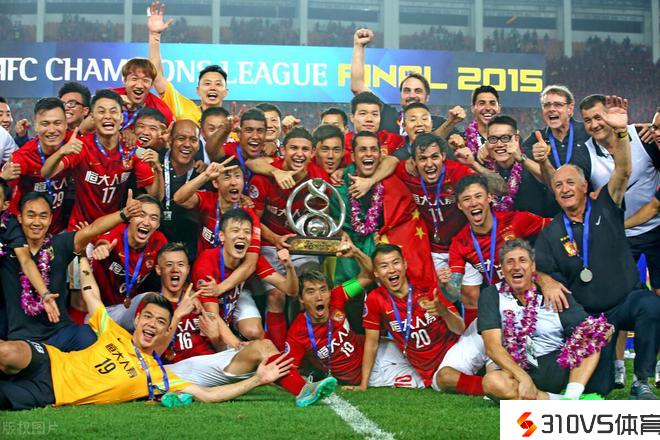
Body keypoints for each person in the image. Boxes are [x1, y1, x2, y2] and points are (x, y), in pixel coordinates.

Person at [0, 256, 295, 410]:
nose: (152, 324)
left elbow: (207, 395)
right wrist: (84, 259)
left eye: (160, 322)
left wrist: (257, 379)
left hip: (53, 392)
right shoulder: (112, 331)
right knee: (8, 351)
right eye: (149, 317)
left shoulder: (156, 377)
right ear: (138, 319)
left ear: (166, 330)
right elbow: (91, 296)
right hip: (51, 360)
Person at [534, 95, 660, 400]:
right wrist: (545, 279)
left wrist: (621, 132)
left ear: (584, 186)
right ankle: (603, 372)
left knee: (651, 305)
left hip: (625, 301)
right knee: (599, 389)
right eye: (558, 185)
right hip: (590, 317)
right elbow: (542, 270)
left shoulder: (606, 204)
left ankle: (642, 379)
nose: (565, 189)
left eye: (570, 183)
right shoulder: (551, 232)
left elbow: (623, 171)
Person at [580, 96, 660, 388]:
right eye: (588, 120)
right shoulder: (585, 152)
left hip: (656, 229)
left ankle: (657, 365)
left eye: (599, 117)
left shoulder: (643, 138)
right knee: (621, 298)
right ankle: (616, 366)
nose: (595, 124)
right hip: (619, 239)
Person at [1, 191, 142, 351]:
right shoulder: (6, 250)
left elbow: (93, 229)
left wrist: (124, 213)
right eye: (31, 215)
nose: (37, 222)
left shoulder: (60, 244)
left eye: (43, 216)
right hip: (24, 340)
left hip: (62, 334)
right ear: (20, 217)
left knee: (92, 338)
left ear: (51, 219)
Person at [394, 133, 507, 326]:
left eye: (434, 157)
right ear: (413, 162)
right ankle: (450, 339)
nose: (429, 164)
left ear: (443, 157)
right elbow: (385, 164)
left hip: (464, 247)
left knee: (470, 296)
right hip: (431, 249)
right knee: (435, 301)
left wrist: (473, 164)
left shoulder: (457, 172)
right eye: (422, 159)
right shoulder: (405, 173)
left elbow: (502, 189)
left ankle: (475, 336)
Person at [479, 239, 612, 400]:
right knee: (492, 382)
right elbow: (492, 346)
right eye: (510, 262)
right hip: (517, 369)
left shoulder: (553, 292)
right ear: (502, 268)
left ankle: (571, 396)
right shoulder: (491, 295)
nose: (516, 267)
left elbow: (588, 327)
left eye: (522, 260)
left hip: (559, 367)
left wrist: (605, 330)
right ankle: (558, 401)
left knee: (594, 331)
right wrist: (523, 378)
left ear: (533, 267)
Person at [40, 89, 163, 230]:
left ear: (121, 118)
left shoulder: (132, 147)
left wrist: (158, 170)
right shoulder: (82, 146)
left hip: (114, 228)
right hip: (81, 227)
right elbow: (46, 173)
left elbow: (155, 196)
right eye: (101, 111)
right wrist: (62, 151)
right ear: (92, 117)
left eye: (113, 111)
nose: (108, 116)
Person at [360, 244, 464, 389]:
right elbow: (371, 343)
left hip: (453, 354)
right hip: (423, 368)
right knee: (377, 346)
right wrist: (363, 384)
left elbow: (461, 329)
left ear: (405, 264)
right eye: (384, 266)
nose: (391, 269)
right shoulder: (375, 299)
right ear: (376, 272)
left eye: (396, 262)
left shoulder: (427, 288)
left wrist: (445, 312)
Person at [192, 208, 294, 343]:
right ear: (222, 236)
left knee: (255, 333)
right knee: (215, 333)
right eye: (235, 231)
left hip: (230, 306)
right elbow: (212, 315)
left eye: (247, 232)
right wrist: (237, 345)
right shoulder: (206, 262)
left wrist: (289, 267)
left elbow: (290, 290)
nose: (242, 236)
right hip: (206, 324)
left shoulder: (252, 259)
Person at [447, 174, 551, 302]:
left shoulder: (515, 221)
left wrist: (547, 278)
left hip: (532, 294)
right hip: (499, 301)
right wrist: (444, 285)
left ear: (489, 197)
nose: (473, 203)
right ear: (459, 205)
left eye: (478, 196)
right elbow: (453, 295)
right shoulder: (460, 242)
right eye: (466, 199)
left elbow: (556, 227)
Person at [285, 235, 373, 386]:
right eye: (311, 292)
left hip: (374, 357)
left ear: (330, 292)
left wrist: (356, 253)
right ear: (301, 298)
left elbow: (369, 275)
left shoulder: (337, 295)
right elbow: (289, 370)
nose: (319, 297)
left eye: (323, 290)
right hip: (351, 377)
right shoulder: (298, 332)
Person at [350, 29, 464, 139]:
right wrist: (359, 46)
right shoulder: (387, 116)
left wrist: (453, 129)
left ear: (427, 97)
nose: (412, 95)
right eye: (407, 90)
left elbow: (458, 141)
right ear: (400, 96)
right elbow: (358, 87)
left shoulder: (440, 123)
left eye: (418, 91)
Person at [89, 194, 167, 327]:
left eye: (153, 218)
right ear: (130, 217)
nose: (146, 222)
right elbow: (102, 239)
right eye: (141, 215)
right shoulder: (116, 233)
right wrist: (101, 247)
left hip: (128, 310)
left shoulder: (159, 242)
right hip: (98, 308)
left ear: (158, 225)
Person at [147, 1, 227, 125]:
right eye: (207, 83)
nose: (212, 87)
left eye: (218, 84)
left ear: (226, 92)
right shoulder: (184, 109)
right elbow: (156, 77)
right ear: (198, 90)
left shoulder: (232, 126)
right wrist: (154, 36)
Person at [8, 98, 72, 233]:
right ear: (36, 126)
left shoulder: (72, 144)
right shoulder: (22, 157)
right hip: (26, 230)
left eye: (57, 123)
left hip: (59, 230)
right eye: (45, 124)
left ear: (66, 124)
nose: (52, 130)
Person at [156, 119, 203, 260]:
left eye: (193, 140)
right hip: (151, 246)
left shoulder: (202, 175)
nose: (187, 144)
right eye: (181, 138)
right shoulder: (154, 162)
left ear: (199, 145)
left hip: (189, 251)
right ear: (170, 140)